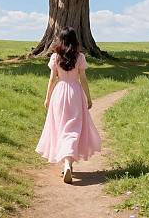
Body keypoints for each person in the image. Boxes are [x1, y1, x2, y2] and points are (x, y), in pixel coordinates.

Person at [35, 26, 102, 184]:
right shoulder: (80, 57)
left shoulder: (55, 57)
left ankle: (66, 164)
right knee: (73, 129)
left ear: (61, 40)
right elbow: (83, 79)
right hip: (75, 94)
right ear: (75, 40)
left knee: (61, 128)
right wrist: (89, 98)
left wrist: (47, 98)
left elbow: (52, 79)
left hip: (59, 93)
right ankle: (68, 163)